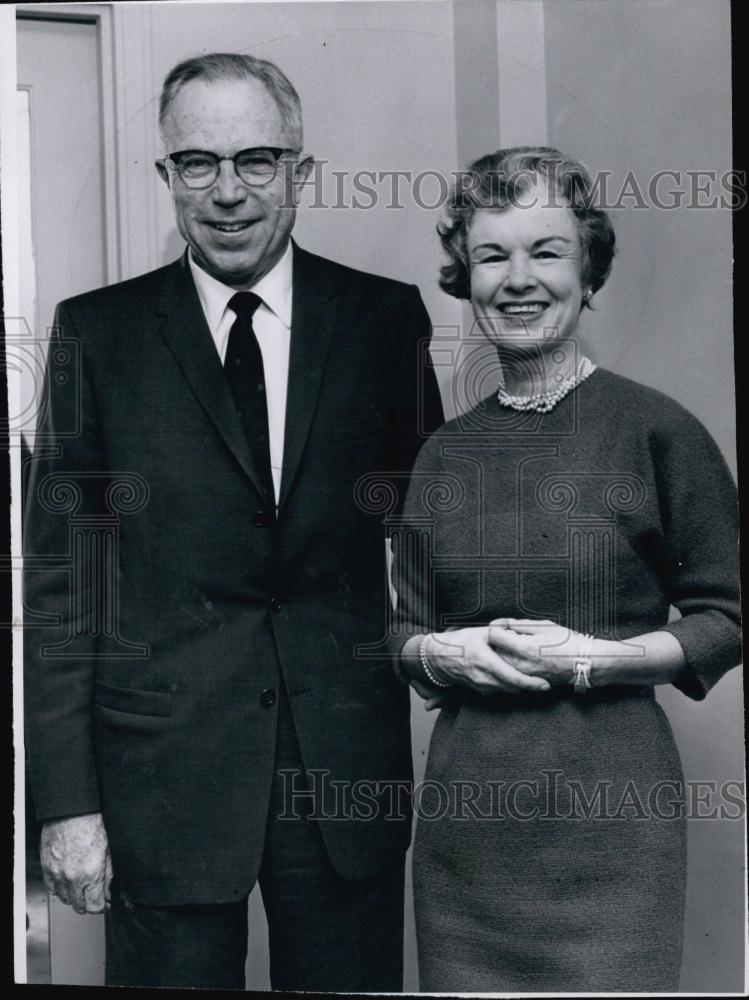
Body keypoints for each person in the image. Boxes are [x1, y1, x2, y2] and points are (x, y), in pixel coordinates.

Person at [23, 52, 443, 990]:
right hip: (160, 781)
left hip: (343, 776)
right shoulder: (96, 335)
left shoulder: (383, 322)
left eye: (255, 161)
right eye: (196, 164)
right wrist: (66, 806)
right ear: (166, 174)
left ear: (302, 172)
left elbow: (436, 533)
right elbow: (63, 585)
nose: (226, 193)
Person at [389, 147, 741, 992]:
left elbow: (727, 615)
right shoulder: (442, 453)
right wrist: (441, 655)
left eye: (545, 251)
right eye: (490, 255)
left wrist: (597, 657)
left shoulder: (657, 431)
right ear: (464, 279)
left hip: (613, 830)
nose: (518, 279)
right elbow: (404, 627)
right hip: (466, 839)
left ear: (588, 271)